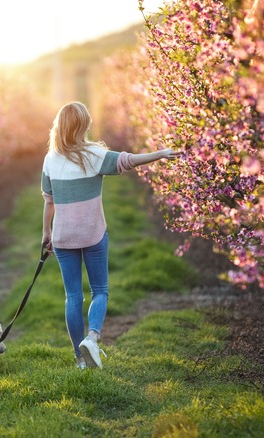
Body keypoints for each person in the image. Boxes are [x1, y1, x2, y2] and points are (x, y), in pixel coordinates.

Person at [41, 101, 180, 369]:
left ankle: (79, 358)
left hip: (63, 236)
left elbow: (49, 201)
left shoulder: (50, 159)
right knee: (100, 291)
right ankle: (92, 339)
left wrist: (46, 233)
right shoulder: (94, 155)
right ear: (83, 126)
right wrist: (160, 153)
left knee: (72, 296)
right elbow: (128, 161)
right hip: (92, 233)